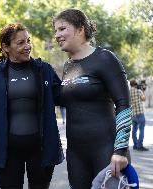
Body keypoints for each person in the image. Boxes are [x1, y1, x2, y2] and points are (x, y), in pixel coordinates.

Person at [0, 23, 63, 189]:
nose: (27, 46)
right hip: (7, 151)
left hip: (40, 149)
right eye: (20, 43)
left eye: (28, 41)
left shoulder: (43, 69)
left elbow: (64, 96)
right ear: (6, 47)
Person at [53, 9, 132, 189]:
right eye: (56, 31)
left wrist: (120, 150)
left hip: (106, 150)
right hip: (76, 153)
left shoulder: (105, 58)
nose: (57, 35)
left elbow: (123, 105)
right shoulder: (68, 66)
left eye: (62, 29)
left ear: (80, 29)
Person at [130, 79, 148, 151]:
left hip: (133, 114)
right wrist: (143, 91)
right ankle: (140, 146)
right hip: (140, 113)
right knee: (141, 129)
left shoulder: (128, 92)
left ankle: (135, 145)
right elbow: (143, 99)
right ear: (135, 84)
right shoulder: (138, 91)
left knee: (134, 130)